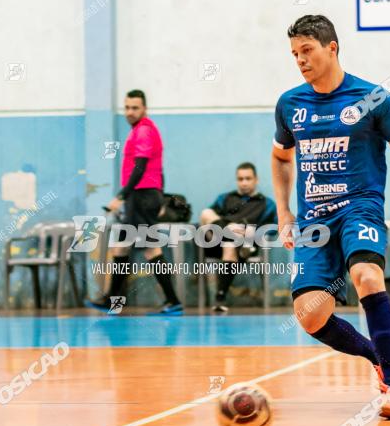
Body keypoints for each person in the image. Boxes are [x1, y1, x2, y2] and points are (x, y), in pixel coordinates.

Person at [270, 15, 390, 419]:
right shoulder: (290, 104)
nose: (300, 60)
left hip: (360, 207)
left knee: (367, 277)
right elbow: (280, 157)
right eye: (295, 54)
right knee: (309, 314)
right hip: (313, 221)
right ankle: (377, 355)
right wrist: (284, 212)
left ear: (331, 48)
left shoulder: (373, 98)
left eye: (307, 51)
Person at [86, 89, 183, 316]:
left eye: (135, 108)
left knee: (149, 250)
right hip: (143, 196)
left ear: (144, 109)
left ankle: (173, 301)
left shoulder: (144, 131)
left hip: (142, 197)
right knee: (122, 247)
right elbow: (157, 168)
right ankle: (112, 300)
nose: (130, 112)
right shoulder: (142, 131)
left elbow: (140, 168)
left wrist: (121, 196)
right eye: (127, 107)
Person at [199, 162, 277, 313]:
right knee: (205, 213)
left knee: (231, 243)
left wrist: (251, 233)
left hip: (246, 241)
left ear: (256, 180)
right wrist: (229, 227)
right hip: (216, 241)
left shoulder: (267, 204)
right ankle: (231, 231)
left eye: (248, 178)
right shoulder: (225, 198)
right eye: (240, 179)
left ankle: (220, 297)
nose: (244, 183)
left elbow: (273, 229)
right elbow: (208, 219)